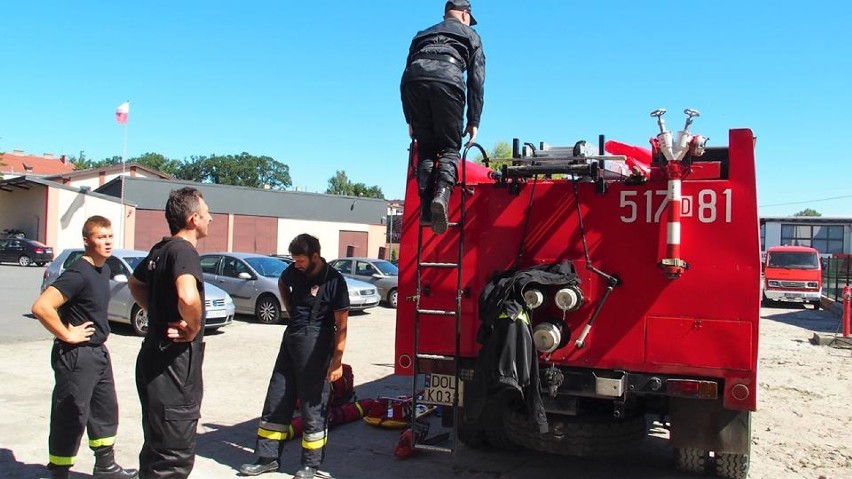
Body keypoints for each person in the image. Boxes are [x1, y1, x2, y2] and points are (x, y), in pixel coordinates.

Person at [31, 215, 138, 479]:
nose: (107, 242)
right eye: (101, 237)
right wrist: (67, 333)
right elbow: (41, 307)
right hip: (76, 356)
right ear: (87, 241)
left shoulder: (104, 269)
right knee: (71, 414)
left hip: (97, 352)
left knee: (105, 409)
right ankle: (58, 472)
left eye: (110, 236)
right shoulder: (78, 273)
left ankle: (105, 467)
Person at [239, 234, 349, 479]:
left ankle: (310, 464)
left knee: (312, 405)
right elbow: (281, 283)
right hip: (292, 337)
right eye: (294, 260)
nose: (296, 264)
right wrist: (290, 309)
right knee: (277, 395)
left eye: (300, 260)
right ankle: (267, 458)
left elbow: (342, 324)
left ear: (315, 257)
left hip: (318, 341)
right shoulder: (293, 272)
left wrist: (337, 361)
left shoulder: (335, 281)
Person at [128, 187, 211, 479]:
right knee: (172, 459)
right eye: (206, 213)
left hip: (152, 360)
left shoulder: (160, 249)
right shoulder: (184, 252)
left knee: (156, 447)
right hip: (173, 370)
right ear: (192, 219)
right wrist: (194, 326)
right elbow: (188, 297)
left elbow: (135, 283)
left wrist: (157, 308)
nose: (210, 218)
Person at [401, 0, 485, 234]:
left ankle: (427, 209)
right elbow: (476, 80)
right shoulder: (471, 36)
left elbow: (405, 74)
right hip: (447, 81)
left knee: (426, 147)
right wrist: (474, 120)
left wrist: (409, 117)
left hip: (413, 83)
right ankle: (441, 196)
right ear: (465, 14)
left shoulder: (421, 35)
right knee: (449, 148)